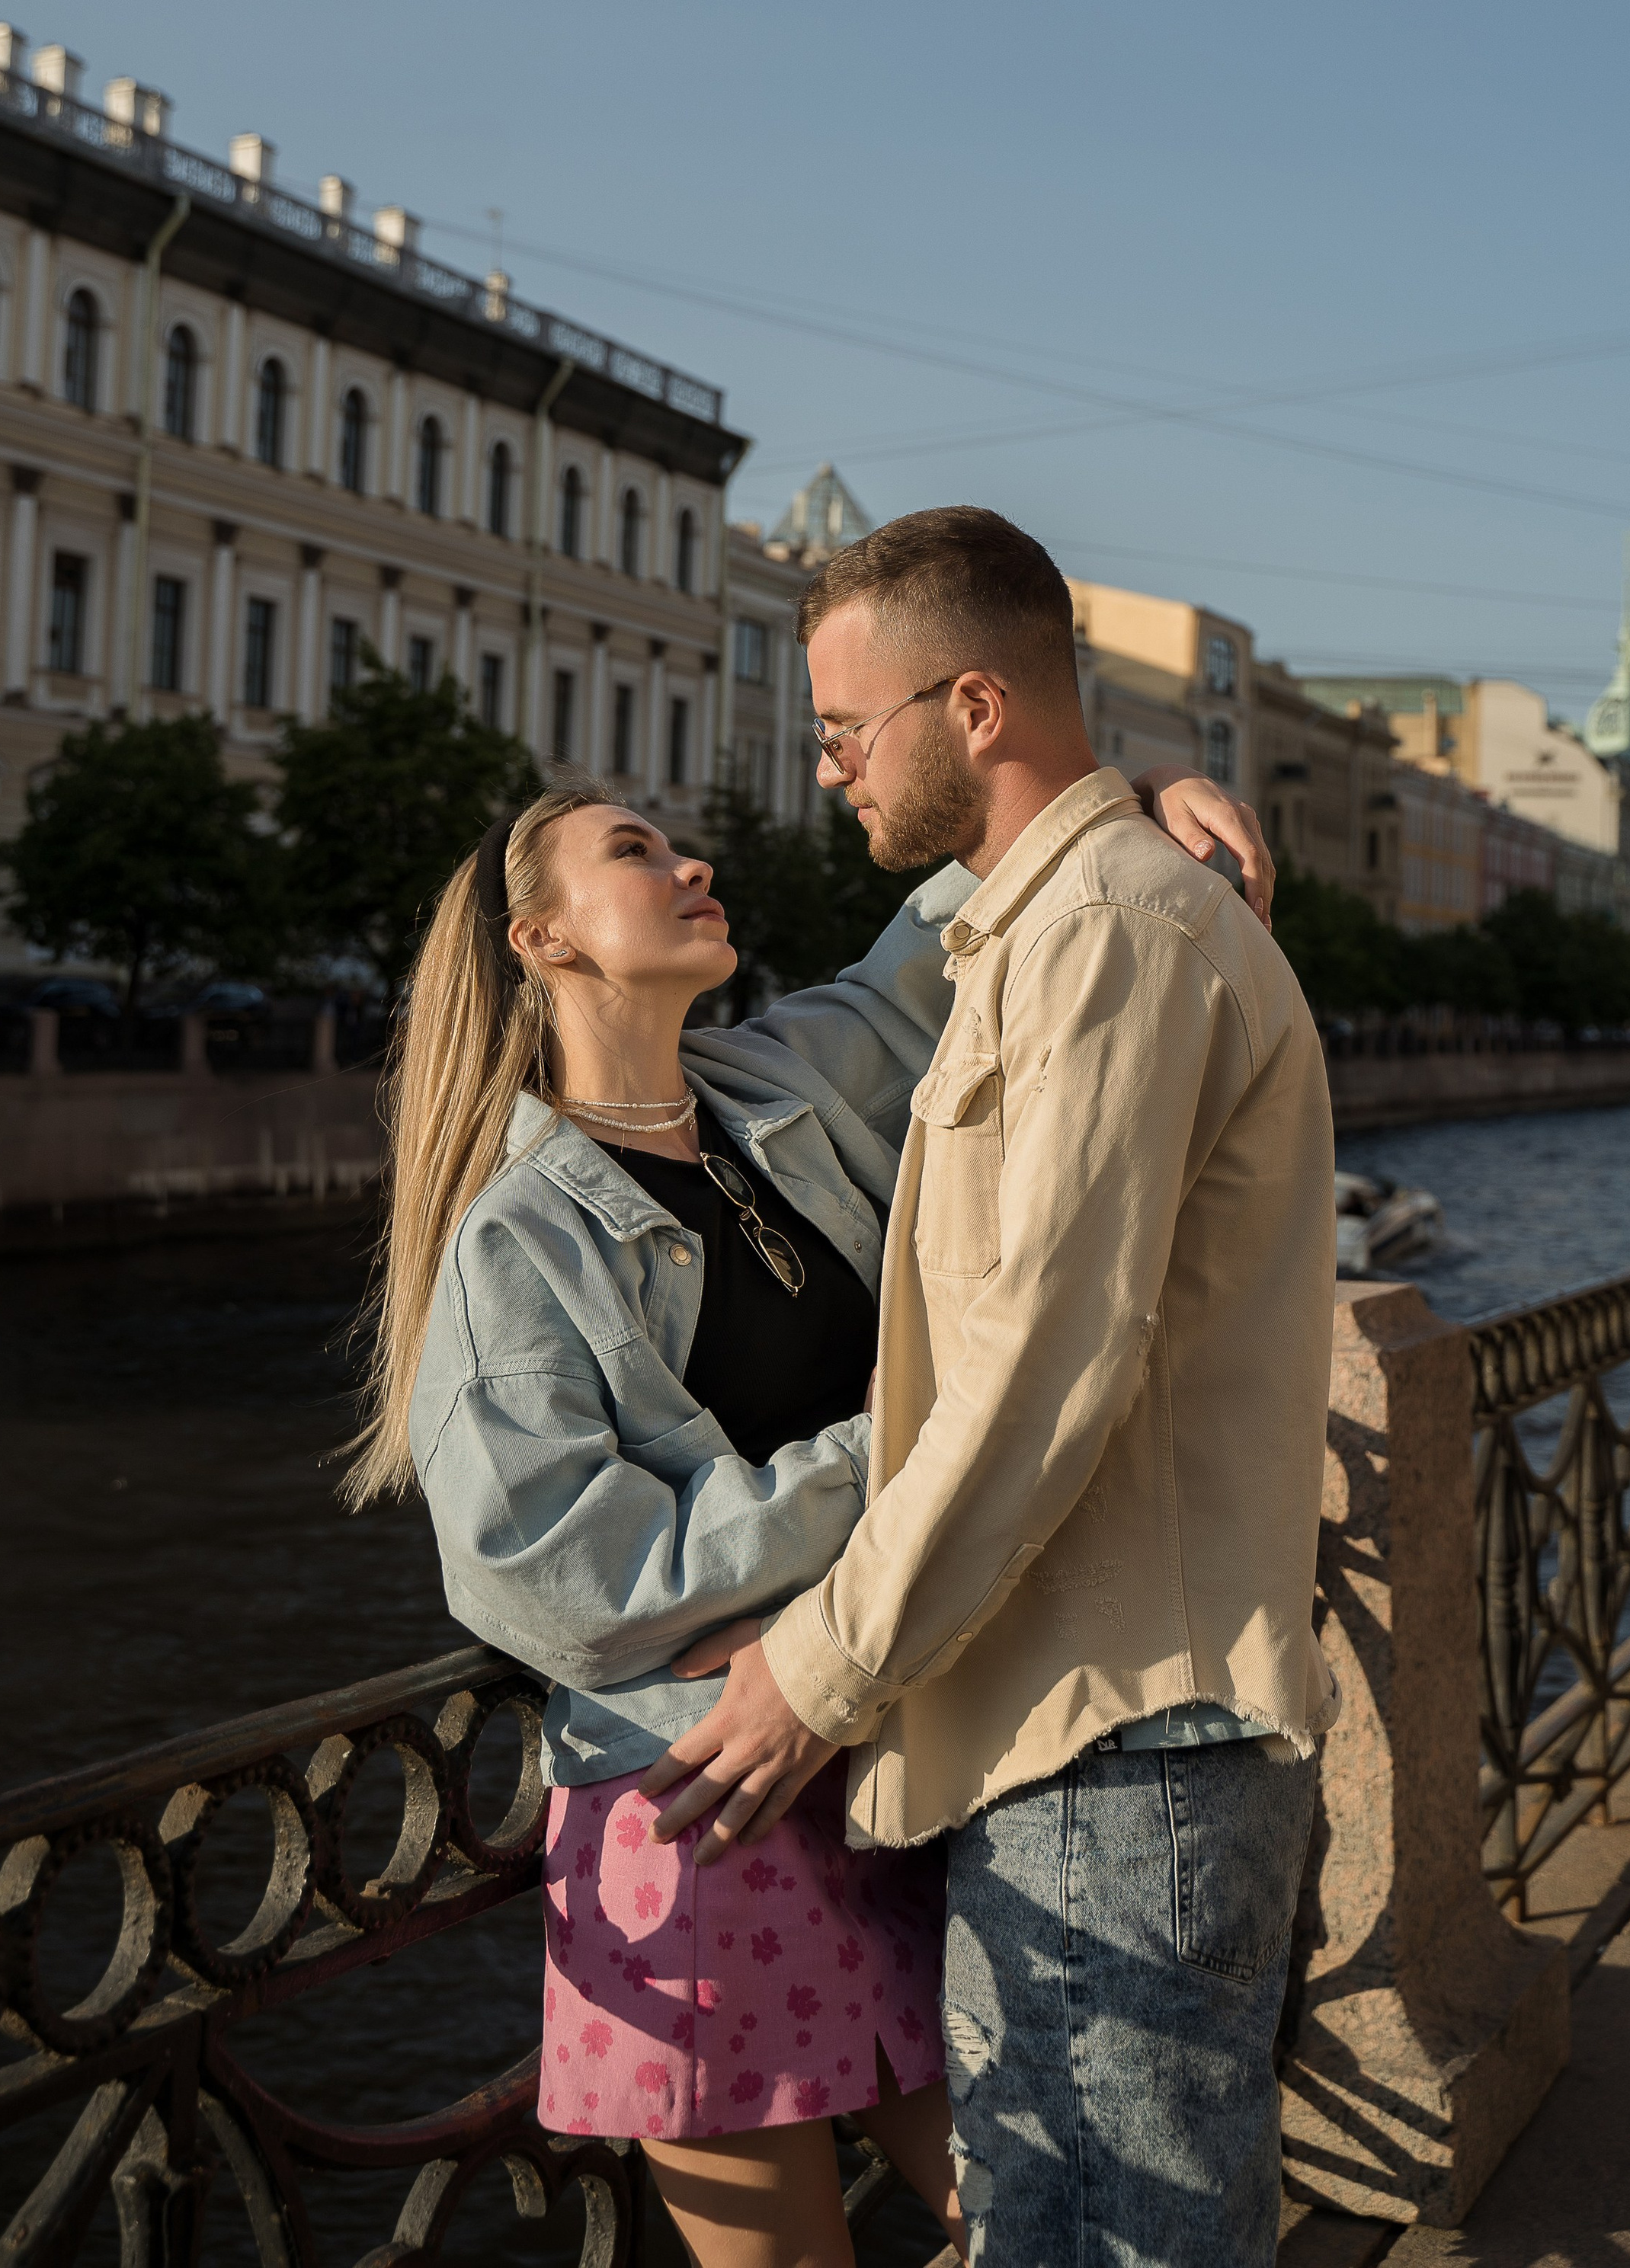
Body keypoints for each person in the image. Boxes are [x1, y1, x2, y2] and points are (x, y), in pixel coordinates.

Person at [344, 750, 1267, 2268]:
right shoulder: (516, 1238)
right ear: (544, 939)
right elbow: (549, 1575)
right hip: (703, 1815)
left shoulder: (769, 1088)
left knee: (1054, 2218)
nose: (692, 865)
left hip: (889, 1753)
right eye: (637, 852)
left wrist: (1120, 798)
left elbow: (936, 954)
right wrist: (895, 1454)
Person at [646, 507, 1339, 2268]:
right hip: (1087, 1738)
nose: (826, 772)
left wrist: (817, 1670)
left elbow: (1041, 1363)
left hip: (1115, 1746)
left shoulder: (1106, 935)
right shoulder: (1043, 932)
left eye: (843, 731)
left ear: (971, 708)